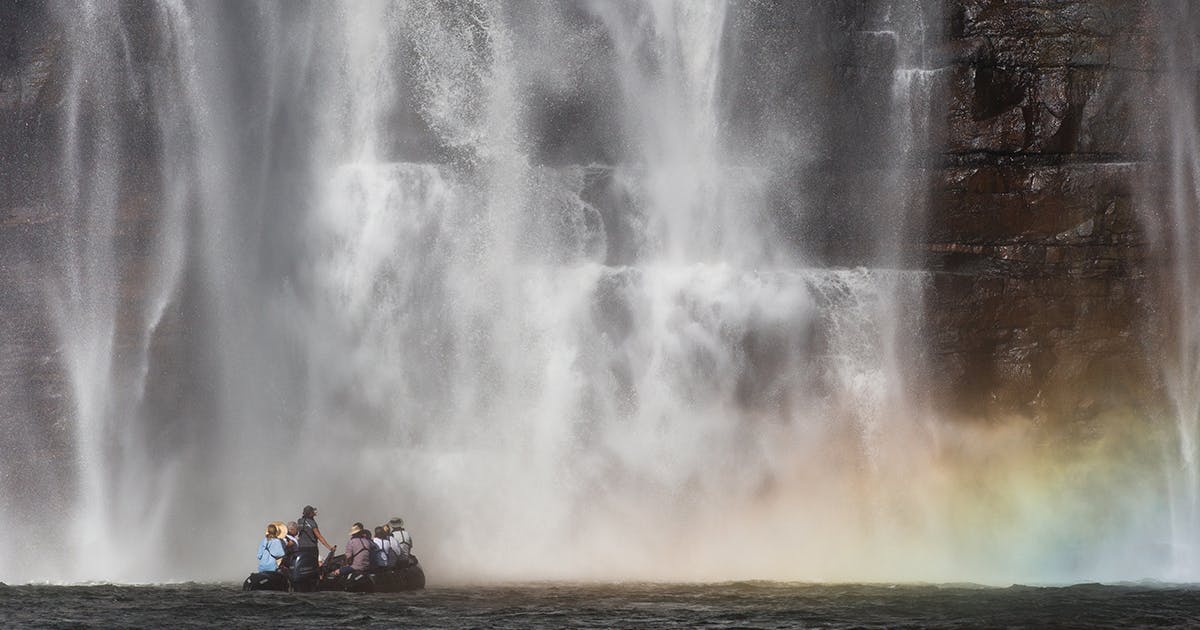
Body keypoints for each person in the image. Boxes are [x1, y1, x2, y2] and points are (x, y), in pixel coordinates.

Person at [293, 505, 336, 583]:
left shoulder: (299, 521)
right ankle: (316, 580)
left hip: (301, 547)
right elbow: (319, 536)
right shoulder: (312, 523)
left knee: (304, 564)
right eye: (313, 512)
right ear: (310, 513)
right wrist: (330, 548)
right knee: (313, 565)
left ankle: (302, 579)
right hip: (311, 547)